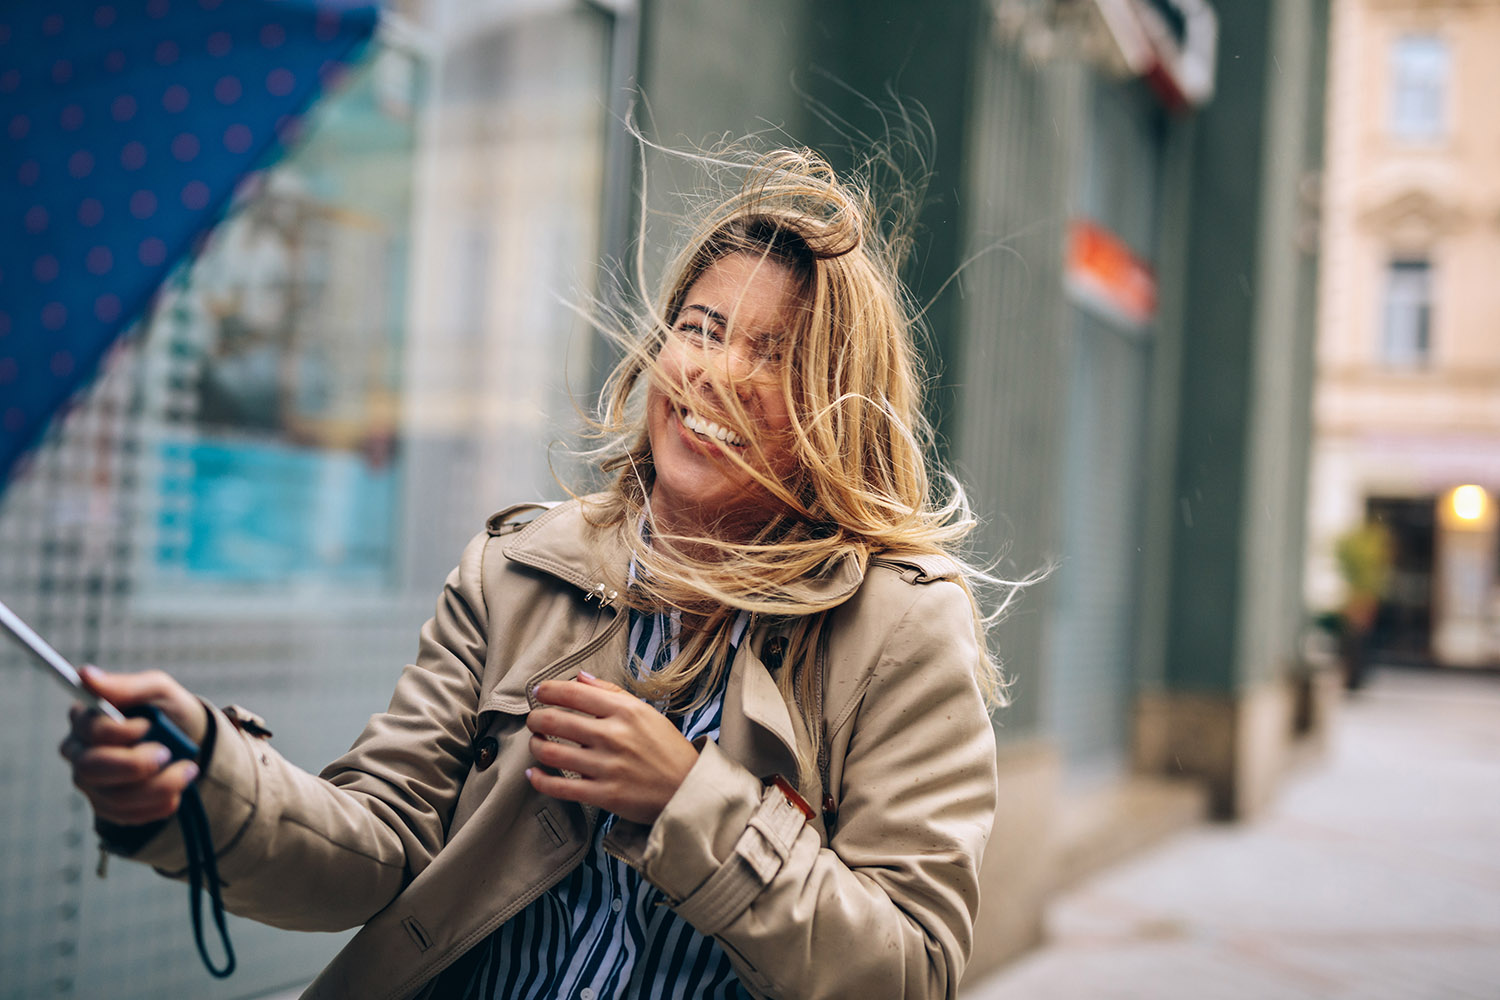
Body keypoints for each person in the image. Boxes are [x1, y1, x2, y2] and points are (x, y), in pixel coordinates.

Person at [59, 147, 1003, 1000]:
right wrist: (207, 786)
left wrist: (688, 800)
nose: (713, 372)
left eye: (771, 354)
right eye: (702, 328)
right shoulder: (516, 572)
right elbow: (380, 842)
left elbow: (910, 972)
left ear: (836, 411)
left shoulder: (899, 629)